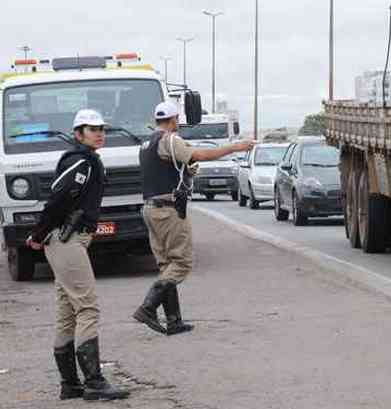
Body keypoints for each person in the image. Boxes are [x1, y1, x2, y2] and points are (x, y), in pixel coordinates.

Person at [26, 110, 129, 401]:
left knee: (67, 313)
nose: (99, 133)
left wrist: (41, 234)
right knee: (88, 308)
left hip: (67, 241)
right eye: (92, 129)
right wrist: (38, 232)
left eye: (101, 129)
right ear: (78, 133)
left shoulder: (87, 159)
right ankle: (94, 382)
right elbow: (58, 198)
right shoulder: (81, 160)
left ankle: (70, 385)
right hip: (67, 240)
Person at [133, 101, 255, 336]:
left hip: (150, 208)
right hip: (168, 210)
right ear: (173, 120)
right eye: (176, 119)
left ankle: (174, 320)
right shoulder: (170, 140)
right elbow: (200, 154)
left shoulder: (146, 143)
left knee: (167, 265)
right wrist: (234, 147)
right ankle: (148, 307)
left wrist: (186, 172)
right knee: (181, 263)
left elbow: (166, 168)